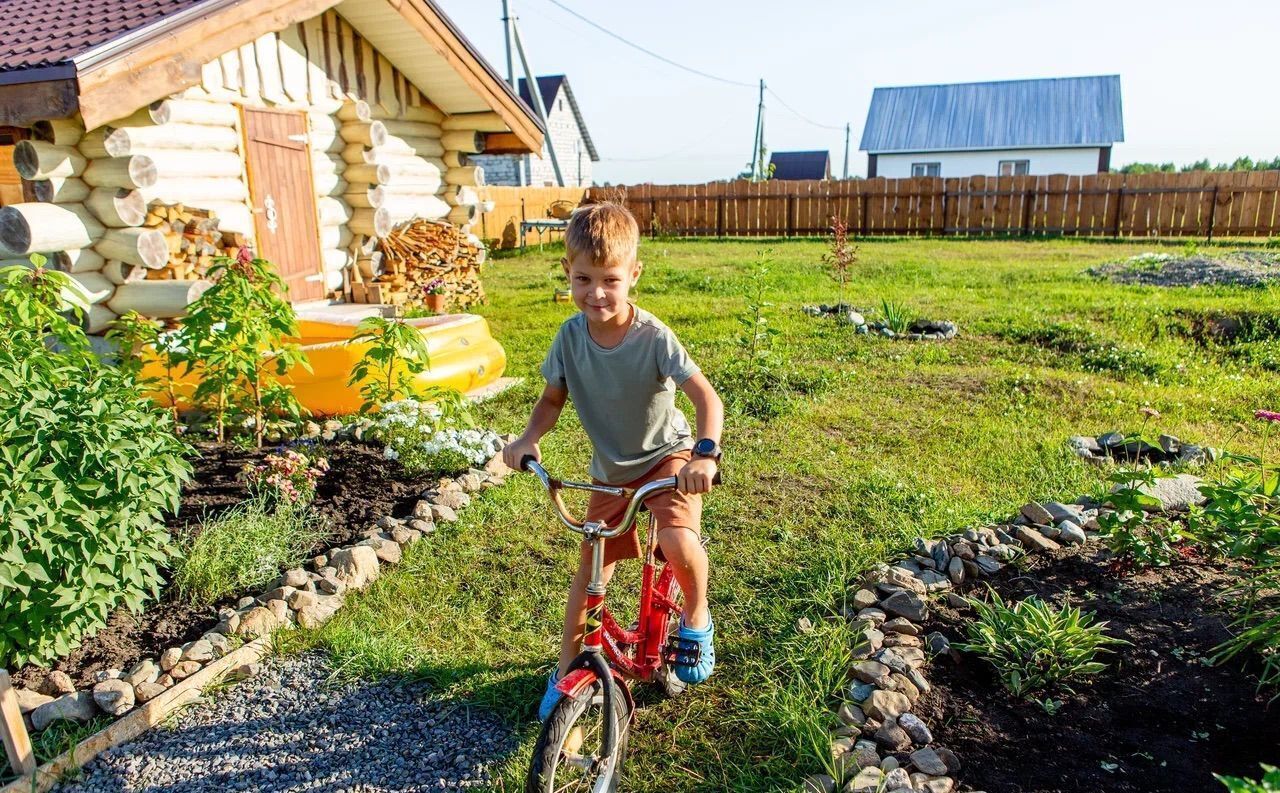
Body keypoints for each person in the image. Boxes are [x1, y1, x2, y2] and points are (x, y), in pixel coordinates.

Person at [502, 202, 724, 720]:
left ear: (633, 276)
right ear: (567, 273)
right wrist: (528, 438)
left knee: (673, 537)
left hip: (669, 457)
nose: (595, 293)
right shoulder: (568, 338)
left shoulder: (652, 336)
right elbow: (551, 400)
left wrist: (705, 456)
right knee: (591, 570)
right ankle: (565, 671)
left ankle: (696, 615)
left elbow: (707, 399)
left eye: (609, 280)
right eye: (583, 279)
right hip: (612, 472)